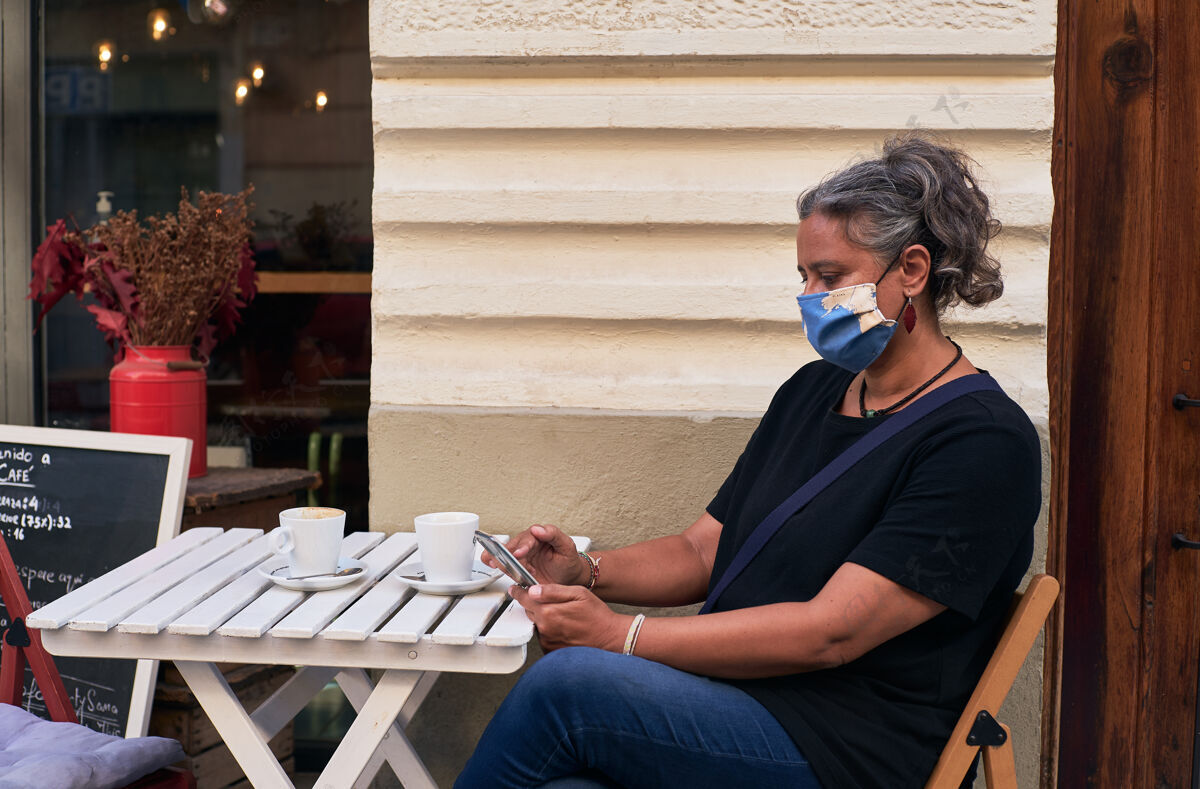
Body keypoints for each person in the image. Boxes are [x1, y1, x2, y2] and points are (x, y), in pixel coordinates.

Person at [455, 132, 1042, 789]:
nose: (811, 298)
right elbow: (704, 551)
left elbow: (832, 633)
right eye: (804, 277)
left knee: (566, 685)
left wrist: (618, 635)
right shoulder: (812, 392)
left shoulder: (982, 444)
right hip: (738, 706)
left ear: (910, 270)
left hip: (848, 749)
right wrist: (589, 571)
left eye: (830, 276)